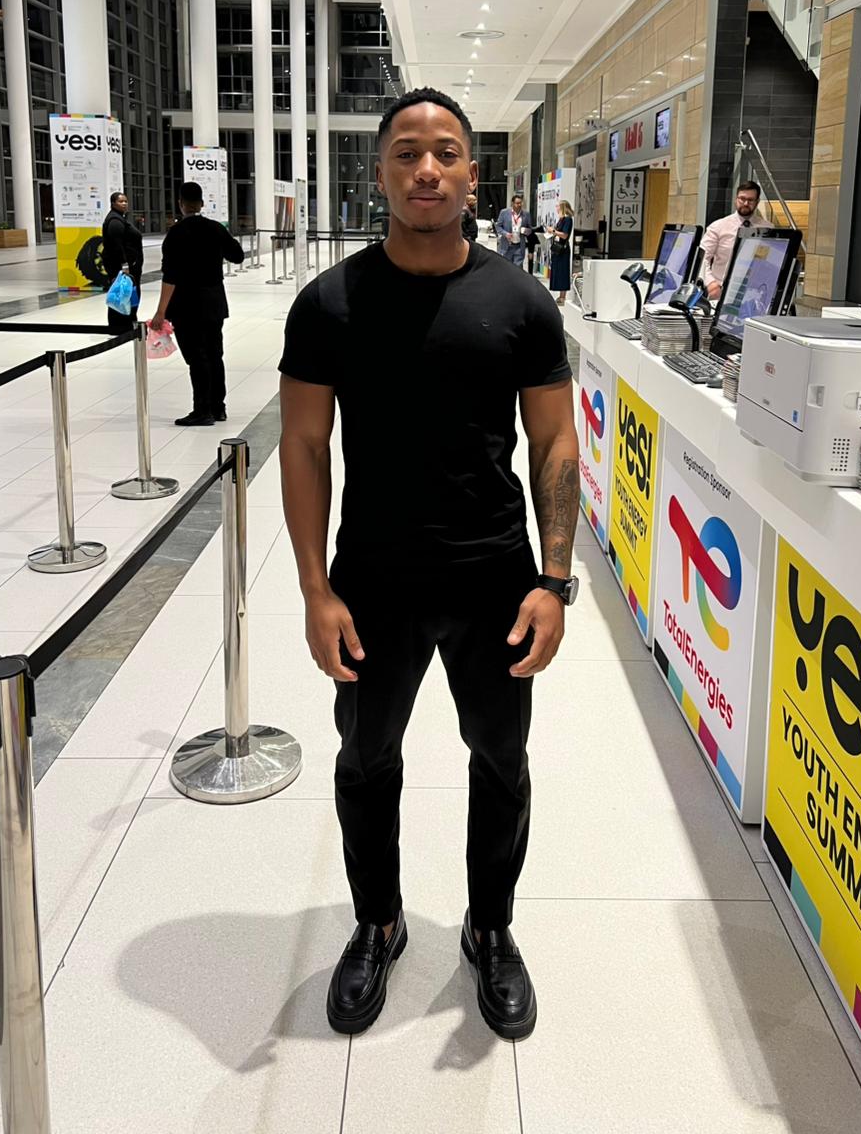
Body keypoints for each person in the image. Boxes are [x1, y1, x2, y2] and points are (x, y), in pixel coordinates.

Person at [278, 86, 579, 1043]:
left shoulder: (520, 302)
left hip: (495, 577)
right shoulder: (329, 303)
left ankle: (490, 929)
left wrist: (554, 582)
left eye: (445, 152)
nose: (426, 169)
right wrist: (315, 589)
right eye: (407, 152)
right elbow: (303, 446)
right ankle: (378, 922)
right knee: (366, 759)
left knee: (501, 759)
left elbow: (556, 445)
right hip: (374, 578)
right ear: (380, 172)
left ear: (471, 175)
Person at [149, 183, 244, 427]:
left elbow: (170, 276)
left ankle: (202, 410)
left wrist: (160, 312)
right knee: (215, 355)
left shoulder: (175, 234)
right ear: (202, 203)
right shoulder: (215, 228)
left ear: (181, 204)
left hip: (186, 306)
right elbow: (238, 256)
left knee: (197, 358)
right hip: (214, 303)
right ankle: (218, 407)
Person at [701, 181, 771, 299]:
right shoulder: (718, 226)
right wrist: (710, 283)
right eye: (742, 199)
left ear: (757, 202)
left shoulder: (767, 229)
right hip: (721, 291)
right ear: (736, 199)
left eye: (750, 200)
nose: (746, 203)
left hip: (754, 293)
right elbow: (703, 257)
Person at [101, 191, 143, 331]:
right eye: (121, 201)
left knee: (126, 294)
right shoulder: (115, 221)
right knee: (123, 295)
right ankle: (121, 326)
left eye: (126, 201)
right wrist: (124, 265)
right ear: (113, 203)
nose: (124, 204)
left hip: (127, 267)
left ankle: (127, 323)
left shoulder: (120, 218)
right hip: (122, 268)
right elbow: (116, 245)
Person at [546, 200, 574, 306]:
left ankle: (563, 296)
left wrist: (553, 231)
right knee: (558, 270)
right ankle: (560, 295)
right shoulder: (561, 219)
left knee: (563, 271)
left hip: (563, 249)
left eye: (558, 206)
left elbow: (564, 235)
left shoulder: (568, 219)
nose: (556, 208)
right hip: (557, 248)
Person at [495, 194, 531, 266]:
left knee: (518, 269)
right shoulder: (504, 212)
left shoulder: (526, 214)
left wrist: (526, 231)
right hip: (507, 246)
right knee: (507, 267)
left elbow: (530, 229)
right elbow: (498, 226)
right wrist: (505, 234)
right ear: (512, 203)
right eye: (517, 203)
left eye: (520, 203)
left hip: (519, 247)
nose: (519, 205)